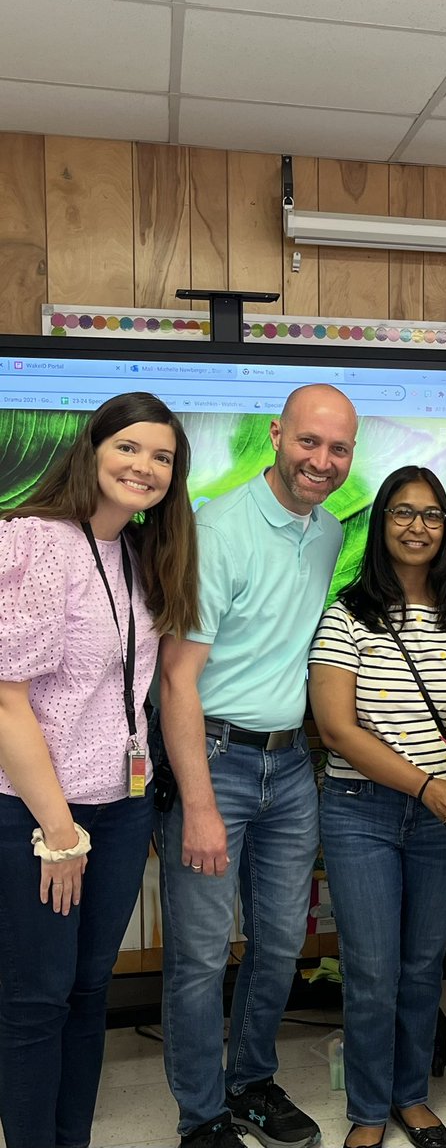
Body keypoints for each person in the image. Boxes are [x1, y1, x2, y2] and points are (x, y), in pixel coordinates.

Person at [154, 383, 358, 1148]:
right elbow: (177, 678)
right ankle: (201, 1115)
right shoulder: (219, 528)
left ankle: (249, 1083)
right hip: (215, 760)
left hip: (289, 769)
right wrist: (200, 805)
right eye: (310, 442)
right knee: (203, 954)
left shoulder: (330, 530)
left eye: (339, 449)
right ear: (277, 435)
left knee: (279, 945)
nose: (323, 461)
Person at [0, 392, 198, 1148]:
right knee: (36, 999)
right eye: (129, 448)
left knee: (87, 992)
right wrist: (59, 832)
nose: (144, 467)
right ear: (92, 450)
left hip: (120, 806)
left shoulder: (136, 550)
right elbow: (7, 703)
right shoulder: (31, 541)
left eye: (162, 457)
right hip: (42, 814)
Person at [308, 465, 446, 1148]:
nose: (418, 527)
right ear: (381, 525)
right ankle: (367, 1108)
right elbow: (337, 730)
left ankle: (411, 1095)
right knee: (372, 968)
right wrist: (426, 785)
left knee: (419, 966)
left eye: (432, 514)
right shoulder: (346, 614)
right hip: (362, 811)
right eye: (402, 513)